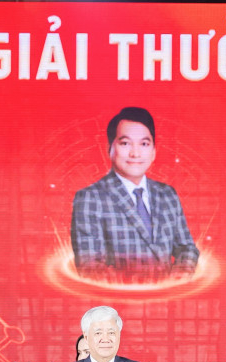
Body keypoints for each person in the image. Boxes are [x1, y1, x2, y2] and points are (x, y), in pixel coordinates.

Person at [71, 106, 200, 282]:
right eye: (125, 143)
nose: (135, 153)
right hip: (120, 298)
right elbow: (90, 267)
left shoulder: (167, 195)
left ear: (153, 151)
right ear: (110, 148)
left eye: (144, 144)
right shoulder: (90, 198)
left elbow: (187, 248)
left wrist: (178, 277)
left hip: (169, 297)